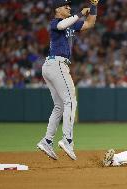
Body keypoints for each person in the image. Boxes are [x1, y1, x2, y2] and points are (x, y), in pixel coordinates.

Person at [37, 0, 99, 160]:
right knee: (70, 101)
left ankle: (47, 141)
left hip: (52, 65)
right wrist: (79, 13)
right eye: (66, 6)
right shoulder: (55, 22)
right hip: (56, 64)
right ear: (57, 9)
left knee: (59, 106)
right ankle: (67, 140)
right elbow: (61, 26)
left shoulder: (70, 24)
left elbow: (90, 24)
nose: (69, 7)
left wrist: (93, 6)